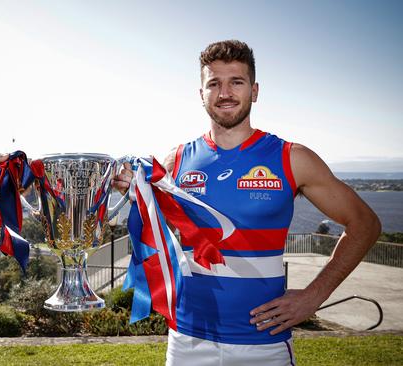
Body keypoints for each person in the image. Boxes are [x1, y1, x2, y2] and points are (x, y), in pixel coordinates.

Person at [112, 40, 381, 366]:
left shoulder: (292, 158)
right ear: (201, 94)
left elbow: (364, 224)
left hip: (263, 343)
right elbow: (164, 230)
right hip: (187, 341)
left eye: (236, 82)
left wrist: (314, 296)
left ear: (254, 91)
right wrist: (135, 189)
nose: (224, 92)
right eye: (214, 83)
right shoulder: (176, 160)